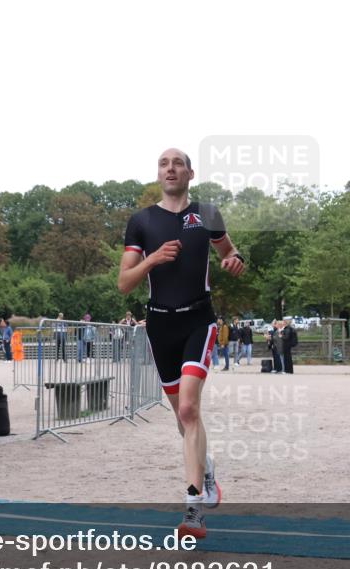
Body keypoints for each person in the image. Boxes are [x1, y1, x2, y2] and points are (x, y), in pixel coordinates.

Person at [117, 147, 246, 539]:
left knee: (189, 408)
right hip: (160, 325)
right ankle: (206, 470)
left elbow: (229, 250)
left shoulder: (207, 214)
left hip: (198, 320)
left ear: (190, 173)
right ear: (159, 174)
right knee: (182, 418)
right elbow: (124, 283)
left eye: (177, 163)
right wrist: (152, 259)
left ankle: (194, 510)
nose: (170, 168)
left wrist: (234, 259)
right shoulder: (142, 221)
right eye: (163, 163)